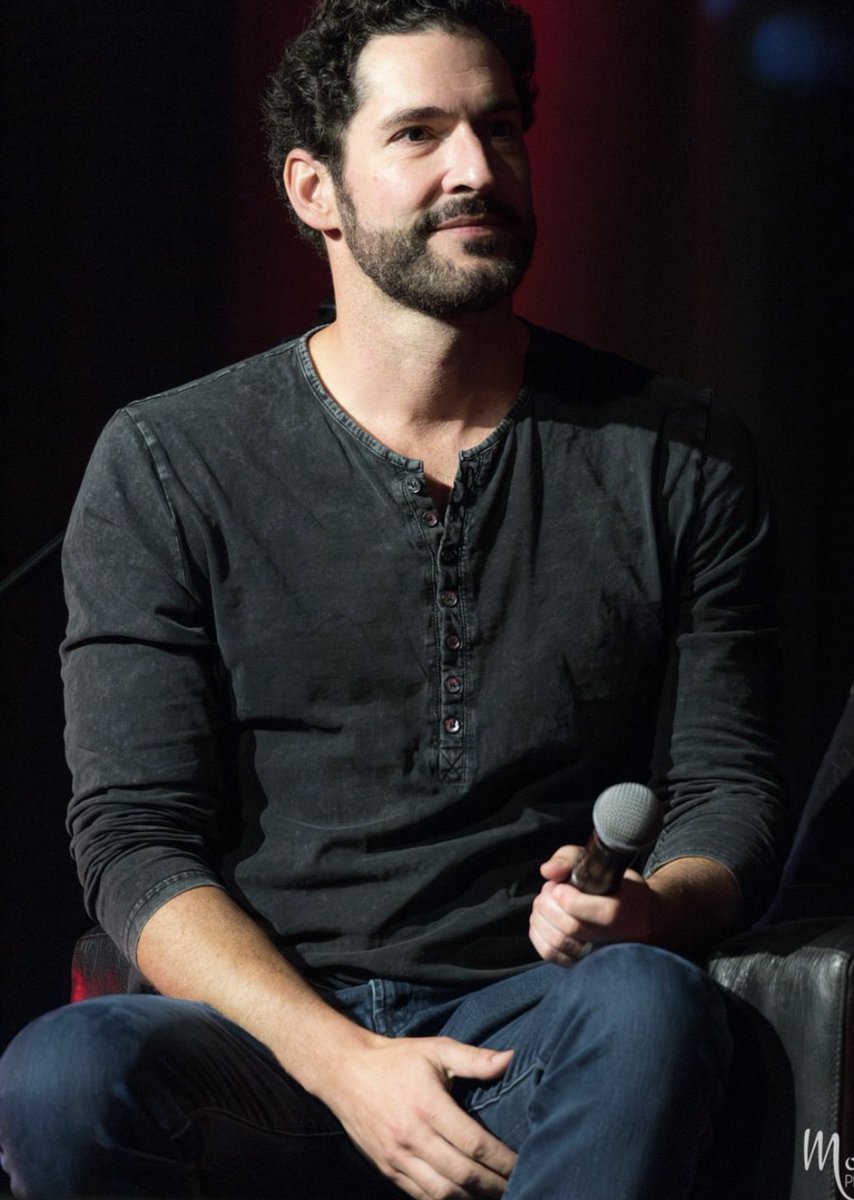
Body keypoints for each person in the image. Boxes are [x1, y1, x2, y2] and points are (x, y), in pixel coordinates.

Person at [0, 1, 788, 1196]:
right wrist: (345, 1063)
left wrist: (652, 912)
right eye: (419, 135)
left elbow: (730, 795)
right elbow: (133, 844)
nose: (477, 169)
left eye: (500, 129)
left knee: (649, 1002)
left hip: (544, 1025)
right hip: (270, 1044)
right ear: (315, 189)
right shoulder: (170, 460)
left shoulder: (676, 451)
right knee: (62, 1075)